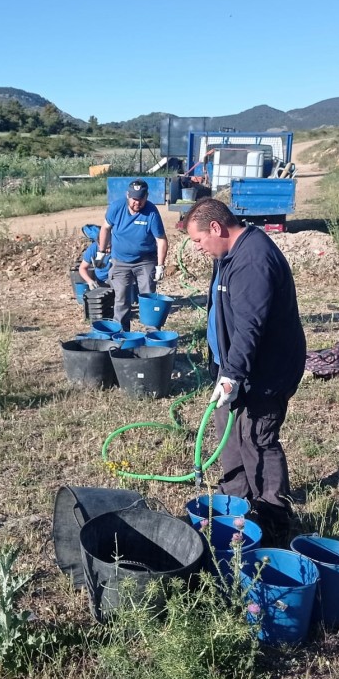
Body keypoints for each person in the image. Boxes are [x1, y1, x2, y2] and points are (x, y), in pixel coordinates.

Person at [183, 198, 306, 540]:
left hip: (264, 372)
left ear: (217, 229)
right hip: (234, 368)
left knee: (257, 439)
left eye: (198, 240)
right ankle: (237, 501)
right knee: (229, 435)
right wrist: (224, 369)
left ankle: (273, 516)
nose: (198, 248)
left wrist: (233, 375)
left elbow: (251, 326)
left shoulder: (252, 260)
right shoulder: (228, 253)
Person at [97, 179, 168, 331]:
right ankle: (121, 334)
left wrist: (160, 265)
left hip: (145, 261)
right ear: (127, 195)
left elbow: (161, 240)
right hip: (120, 262)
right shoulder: (116, 207)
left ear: (147, 196)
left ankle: (153, 334)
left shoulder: (151, 212)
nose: (137, 203)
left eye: (141, 199)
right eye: (134, 199)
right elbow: (105, 229)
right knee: (121, 299)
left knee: (148, 298)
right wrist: (101, 252)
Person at [75, 224, 112, 289]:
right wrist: (89, 281)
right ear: (98, 244)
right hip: (101, 282)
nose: (108, 250)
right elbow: (82, 268)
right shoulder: (93, 248)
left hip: (117, 280)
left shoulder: (118, 247)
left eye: (110, 247)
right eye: (106, 248)